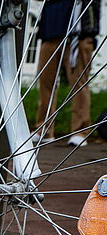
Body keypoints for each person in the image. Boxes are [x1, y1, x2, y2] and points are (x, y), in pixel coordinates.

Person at [34, 0, 100, 147]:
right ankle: (44, 129)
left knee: (78, 82)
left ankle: (80, 131)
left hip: (79, 33)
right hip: (50, 30)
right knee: (45, 82)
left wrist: (90, 34)